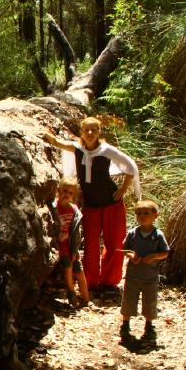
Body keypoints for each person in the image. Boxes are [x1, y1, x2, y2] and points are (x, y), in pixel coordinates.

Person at [40, 117, 141, 296]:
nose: (90, 133)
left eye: (94, 130)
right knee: (91, 245)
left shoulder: (107, 150)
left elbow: (130, 167)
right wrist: (47, 136)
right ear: (82, 132)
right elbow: (59, 143)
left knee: (114, 242)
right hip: (91, 205)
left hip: (112, 204)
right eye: (87, 130)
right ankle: (92, 282)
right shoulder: (78, 149)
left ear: (99, 132)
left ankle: (109, 282)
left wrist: (124, 189)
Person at [119, 199, 169, 344]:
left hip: (150, 276)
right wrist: (132, 255)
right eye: (139, 213)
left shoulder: (158, 235)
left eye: (146, 213)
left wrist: (154, 256)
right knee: (129, 300)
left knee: (150, 301)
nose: (142, 216)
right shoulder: (133, 233)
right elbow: (125, 249)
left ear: (155, 216)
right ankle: (125, 325)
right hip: (133, 275)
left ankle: (149, 326)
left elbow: (165, 252)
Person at [54, 177, 90, 307]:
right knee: (68, 266)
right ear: (58, 190)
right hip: (61, 245)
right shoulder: (54, 208)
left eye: (70, 193)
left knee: (79, 270)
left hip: (71, 245)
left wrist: (75, 250)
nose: (67, 195)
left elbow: (76, 233)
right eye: (64, 191)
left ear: (74, 196)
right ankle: (71, 293)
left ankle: (86, 299)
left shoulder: (74, 210)